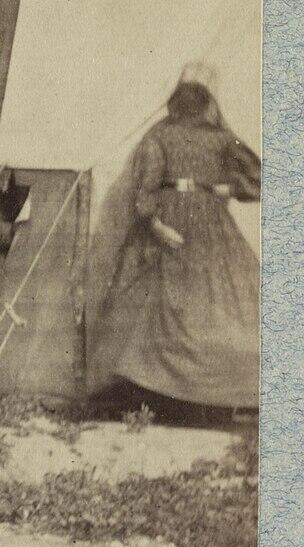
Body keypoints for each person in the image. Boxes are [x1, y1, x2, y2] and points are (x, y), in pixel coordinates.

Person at [88, 62, 261, 415]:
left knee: (215, 306)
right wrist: (157, 225)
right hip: (180, 223)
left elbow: (257, 180)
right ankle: (165, 398)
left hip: (195, 223)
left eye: (195, 96)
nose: (191, 102)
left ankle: (207, 398)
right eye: (189, 96)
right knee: (164, 305)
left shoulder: (208, 138)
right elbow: (146, 188)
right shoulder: (170, 138)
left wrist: (217, 190)